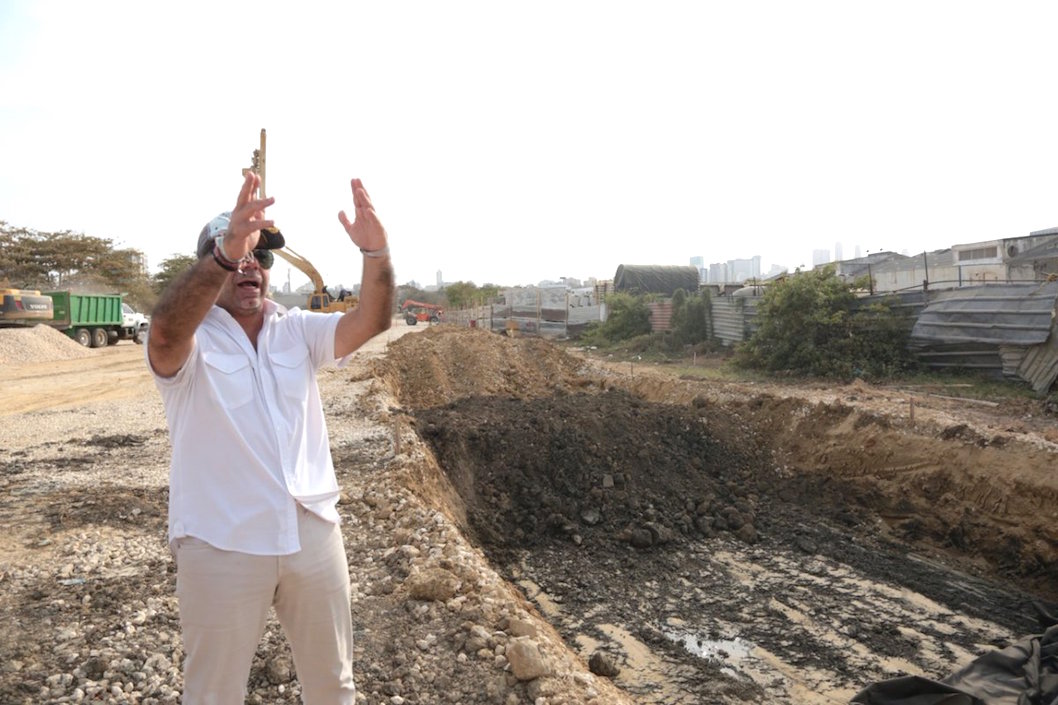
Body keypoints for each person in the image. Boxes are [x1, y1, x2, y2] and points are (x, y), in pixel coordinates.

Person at [146, 170, 394, 704]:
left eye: (260, 256)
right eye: (235, 255)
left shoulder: (297, 329)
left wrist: (377, 256)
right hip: (222, 544)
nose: (249, 267)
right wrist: (225, 249)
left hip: (312, 536)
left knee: (334, 686)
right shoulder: (189, 344)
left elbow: (372, 319)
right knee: (214, 693)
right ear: (209, 266)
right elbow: (165, 332)